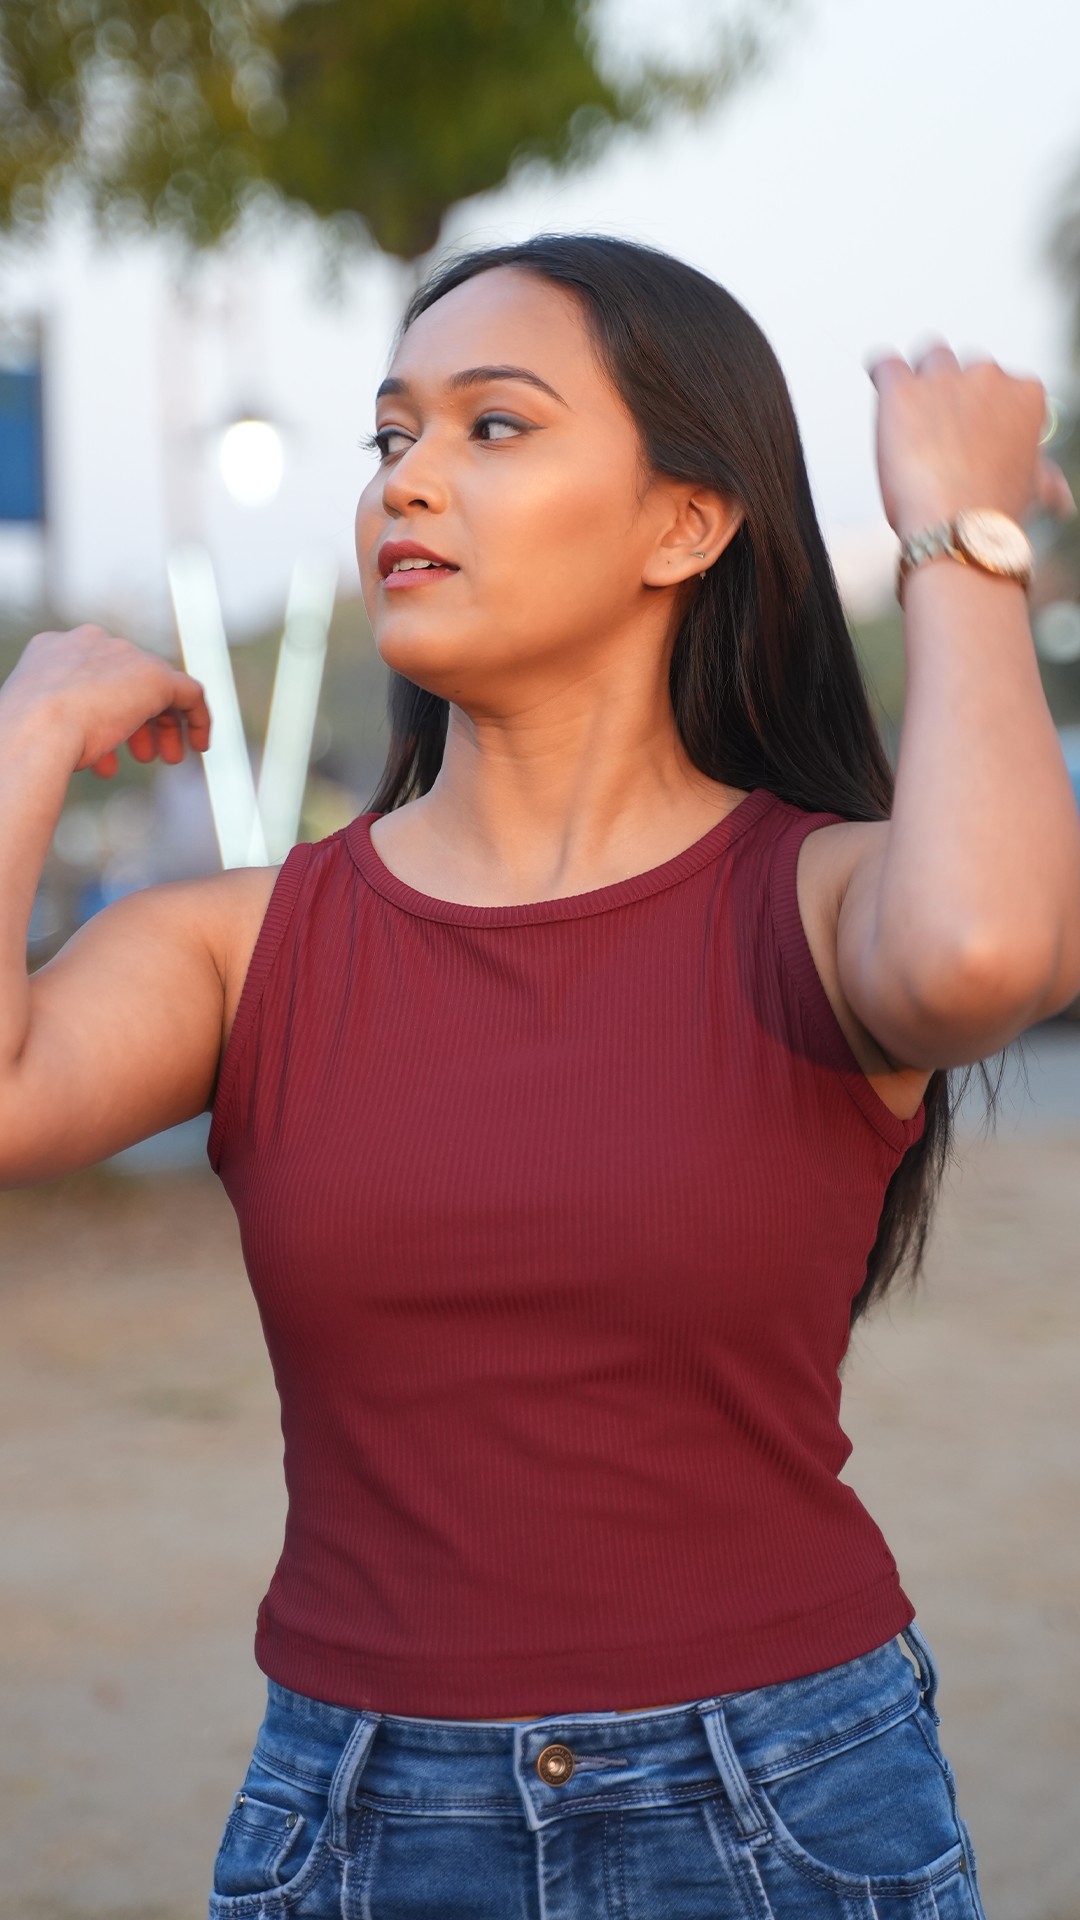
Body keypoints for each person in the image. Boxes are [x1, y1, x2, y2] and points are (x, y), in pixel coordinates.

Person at [2, 236, 1078, 1919]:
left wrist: (958, 533)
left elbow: (987, 956)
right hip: (355, 1814)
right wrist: (27, 729)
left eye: (492, 427)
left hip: (777, 1807)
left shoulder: (819, 899)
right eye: (390, 438)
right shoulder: (245, 946)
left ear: (684, 524)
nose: (410, 479)